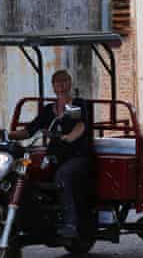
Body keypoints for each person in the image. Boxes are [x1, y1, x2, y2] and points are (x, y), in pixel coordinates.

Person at [10, 69, 91, 238]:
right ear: (53, 86)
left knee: (62, 175)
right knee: (25, 173)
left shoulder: (78, 104)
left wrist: (70, 137)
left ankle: (70, 224)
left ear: (70, 83)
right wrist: (7, 134)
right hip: (55, 156)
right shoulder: (49, 110)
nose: (61, 84)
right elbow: (30, 130)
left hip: (77, 156)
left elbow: (81, 125)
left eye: (64, 80)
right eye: (57, 81)